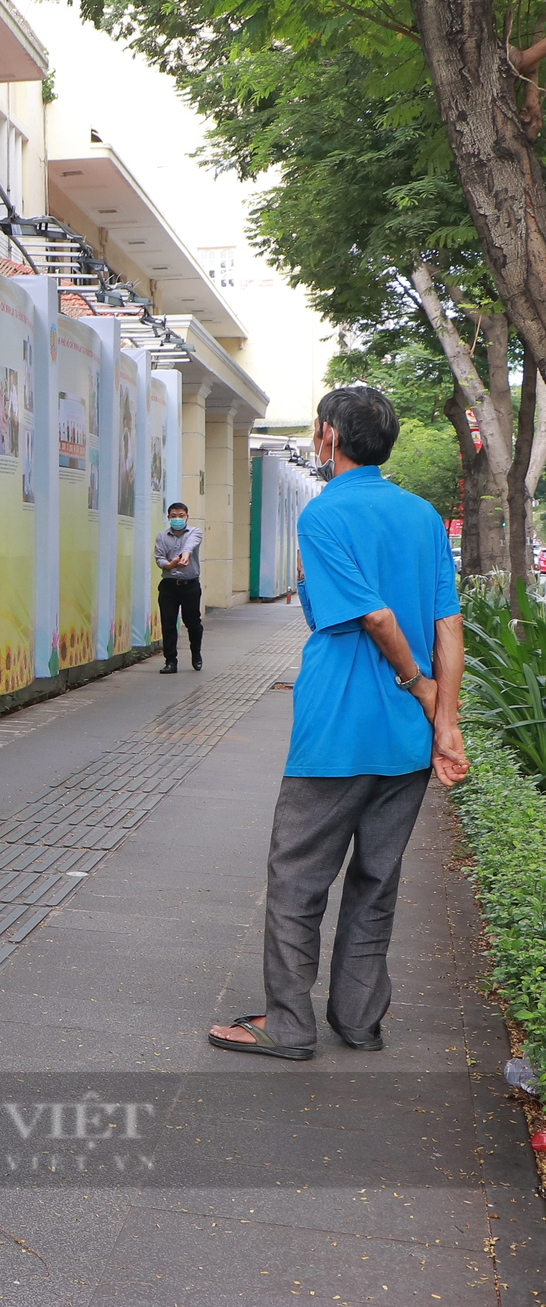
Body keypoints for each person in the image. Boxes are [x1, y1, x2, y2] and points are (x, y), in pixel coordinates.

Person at [209, 386, 467, 1062]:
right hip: (407, 737)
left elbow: (377, 619)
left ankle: (290, 1025)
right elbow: (449, 625)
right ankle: (358, 1020)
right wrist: (445, 721)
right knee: (377, 880)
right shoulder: (422, 515)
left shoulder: (324, 517)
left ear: (328, 436)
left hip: (338, 730)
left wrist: (413, 681)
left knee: (298, 878)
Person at [154, 501, 204, 674]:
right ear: (168, 517)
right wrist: (169, 565)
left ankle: (196, 654)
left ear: (187, 517)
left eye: (181, 516)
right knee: (168, 624)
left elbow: (191, 544)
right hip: (169, 586)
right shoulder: (161, 536)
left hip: (190, 586)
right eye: (173, 516)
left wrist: (185, 555)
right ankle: (170, 661)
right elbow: (159, 557)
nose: (177, 519)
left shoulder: (194, 532)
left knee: (193, 623)